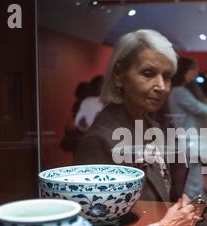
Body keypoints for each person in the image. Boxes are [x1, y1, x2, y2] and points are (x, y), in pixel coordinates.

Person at [74, 29, 187, 202]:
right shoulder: (100, 140)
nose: (162, 86)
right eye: (148, 73)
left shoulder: (152, 127)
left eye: (167, 76)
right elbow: (98, 218)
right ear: (119, 75)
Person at [168, 57, 207, 197]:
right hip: (189, 143)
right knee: (193, 186)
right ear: (186, 71)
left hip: (187, 143)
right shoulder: (179, 92)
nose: (196, 73)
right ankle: (192, 215)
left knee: (191, 183)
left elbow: (205, 106)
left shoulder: (181, 91)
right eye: (194, 69)